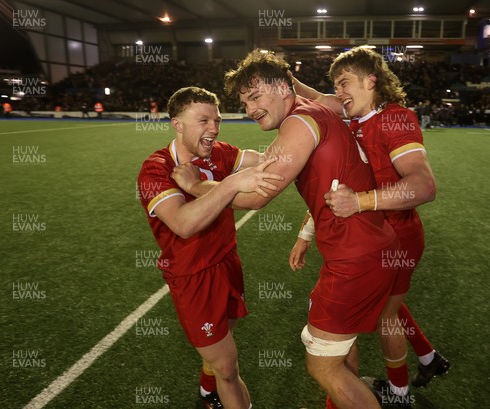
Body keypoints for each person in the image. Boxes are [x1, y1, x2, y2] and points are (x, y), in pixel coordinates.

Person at [171, 50, 402, 409]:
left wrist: (196, 186)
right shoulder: (319, 112)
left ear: (283, 88)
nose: (249, 110)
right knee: (341, 350)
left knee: (322, 365)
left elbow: (256, 195)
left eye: (255, 97)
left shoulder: (300, 121)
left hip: (354, 258)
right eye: (244, 102)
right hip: (367, 248)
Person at [288, 46, 450, 405]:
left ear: (371, 80)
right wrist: (291, 83)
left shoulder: (394, 118)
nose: (339, 92)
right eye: (336, 85)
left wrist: (360, 201)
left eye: (345, 82)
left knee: (386, 316)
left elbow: (424, 186)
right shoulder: (354, 120)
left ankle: (399, 394)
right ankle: (422, 362)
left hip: (397, 236)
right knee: (383, 310)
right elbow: (322, 101)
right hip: (369, 235)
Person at [137, 86, 283, 409]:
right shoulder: (155, 169)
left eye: (216, 121)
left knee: (224, 337)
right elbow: (184, 223)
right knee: (228, 369)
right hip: (193, 279)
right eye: (203, 120)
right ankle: (215, 389)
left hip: (227, 263)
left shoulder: (219, 153)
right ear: (177, 123)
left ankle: (206, 389)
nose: (214, 129)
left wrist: (310, 143)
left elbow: (272, 161)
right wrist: (232, 183)